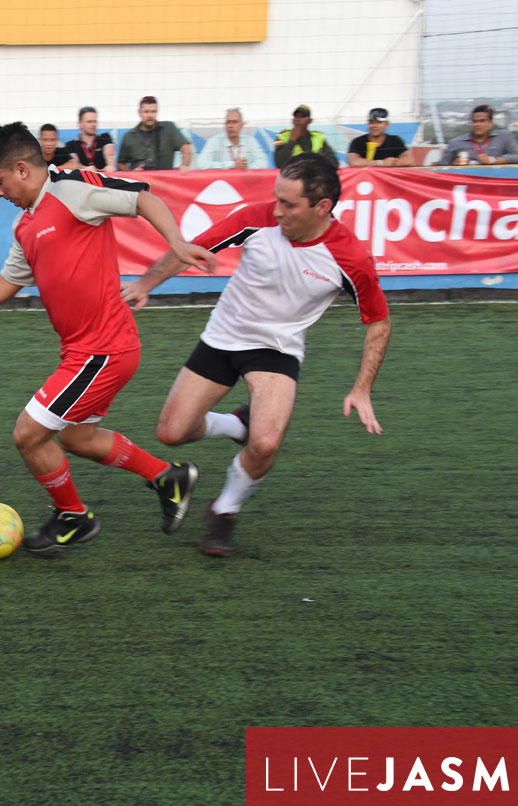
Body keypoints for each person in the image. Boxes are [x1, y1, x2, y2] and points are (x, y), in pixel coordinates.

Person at [0, 122, 217, 556]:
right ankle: (168, 478)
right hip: (85, 352)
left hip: (104, 350)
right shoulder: (25, 225)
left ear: (21, 169)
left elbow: (142, 198)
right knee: (77, 438)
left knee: (27, 434)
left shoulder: (73, 188)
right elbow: (8, 282)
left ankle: (73, 517)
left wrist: (177, 243)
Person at [121, 155, 390, 558]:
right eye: (276, 199)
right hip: (223, 337)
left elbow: (379, 322)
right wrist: (146, 283)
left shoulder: (350, 257)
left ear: (322, 207)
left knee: (264, 445)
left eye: (289, 204)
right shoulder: (255, 218)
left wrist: (362, 388)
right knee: (172, 433)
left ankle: (225, 510)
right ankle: (236, 424)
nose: (277, 210)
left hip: (276, 350)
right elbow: (191, 249)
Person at [117, 95, 193, 172]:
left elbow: (185, 148)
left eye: (153, 111)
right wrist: (132, 173)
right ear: (139, 112)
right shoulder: (129, 136)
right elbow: (121, 164)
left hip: (164, 178)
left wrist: (184, 165)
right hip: (140, 179)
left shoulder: (169, 128)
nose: (150, 115)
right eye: (146, 112)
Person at [443, 104, 518, 166]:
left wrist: (492, 160)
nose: (477, 124)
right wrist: (453, 165)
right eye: (474, 121)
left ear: (491, 123)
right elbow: (441, 167)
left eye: (482, 121)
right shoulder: (455, 143)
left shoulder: (504, 137)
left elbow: (517, 156)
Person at [194, 108, 266, 170]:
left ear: (242, 125)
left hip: (244, 180)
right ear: (225, 125)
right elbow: (201, 164)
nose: (231, 126)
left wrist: (245, 167)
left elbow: (263, 163)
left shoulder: (250, 141)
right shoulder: (214, 141)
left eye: (235, 122)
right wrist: (231, 165)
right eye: (228, 122)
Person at [273, 105, 338, 169]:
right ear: (292, 120)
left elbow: (334, 163)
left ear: (310, 121)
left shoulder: (319, 137)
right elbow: (279, 164)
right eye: (296, 117)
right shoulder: (281, 137)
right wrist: (292, 140)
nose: (298, 119)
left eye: (302, 117)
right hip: (294, 175)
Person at [347, 107, 412, 168]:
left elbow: (409, 160)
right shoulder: (358, 141)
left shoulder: (395, 140)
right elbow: (353, 162)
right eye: (371, 122)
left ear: (387, 124)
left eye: (379, 122)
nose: (374, 126)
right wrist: (382, 163)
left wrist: (393, 163)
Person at [62, 106, 116, 172]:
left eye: (95, 121)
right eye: (89, 122)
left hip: (103, 177)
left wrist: (110, 167)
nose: (93, 124)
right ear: (80, 124)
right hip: (83, 178)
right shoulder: (71, 145)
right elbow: (74, 164)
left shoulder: (105, 138)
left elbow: (110, 156)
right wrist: (85, 169)